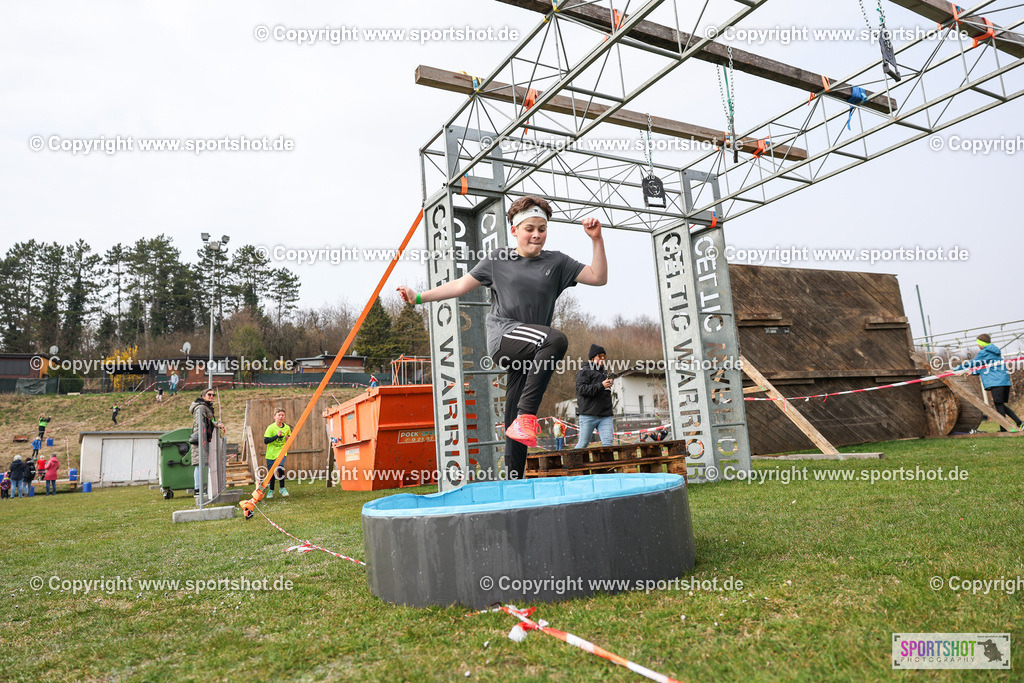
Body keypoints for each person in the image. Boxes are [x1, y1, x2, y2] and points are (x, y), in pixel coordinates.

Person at [397, 195, 607, 480]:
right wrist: (419, 297)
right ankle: (526, 416)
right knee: (556, 340)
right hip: (505, 338)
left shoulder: (557, 262)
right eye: (529, 229)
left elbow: (598, 277)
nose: (536, 235)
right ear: (514, 230)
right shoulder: (498, 260)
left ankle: (513, 481)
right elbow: (460, 285)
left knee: (514, 424)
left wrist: (596, 239)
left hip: (532, 353)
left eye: (542, 229)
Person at [958, 333, 1023, 431]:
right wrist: (973, 372)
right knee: (1000, 405)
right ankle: (1019, 424)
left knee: (999, 405)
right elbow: (988, 368)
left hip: (996, 382)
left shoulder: (984, 352)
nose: (978, 345)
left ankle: (1005, 429)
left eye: (978, 343)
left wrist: (956, 369)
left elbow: (973, 363)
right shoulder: (994, 351)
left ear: (981, 344)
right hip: (1004, 381)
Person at [574, 344, 615, 448]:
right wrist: (601, 385)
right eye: (600, 356)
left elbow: (602, 390)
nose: (603, 358)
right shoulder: (584, 371)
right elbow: (581, 389)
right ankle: (567, 459)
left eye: (604, 356)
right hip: (588, 415)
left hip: (605, 415)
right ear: (593, 357)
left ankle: (607, 461)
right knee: (583, 444)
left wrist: (607, 386)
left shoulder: (604, 373)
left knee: (608, 445)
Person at [190, 388, 225, 499]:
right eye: (209, 394)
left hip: (206, 439)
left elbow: (209, 421)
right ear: (203, 396)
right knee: (199, 464)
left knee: (204, 464)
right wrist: (203, 437)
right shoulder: (200, 407)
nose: (212, 396)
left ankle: (206, 488)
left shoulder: (207, 407)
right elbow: (200, 423)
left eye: (213, 395)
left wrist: (217, 424)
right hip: (201, 439)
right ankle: (197, 490)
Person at [263, 408, 291, 498]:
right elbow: (266, 441)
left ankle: (282, 488)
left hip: (281, 452)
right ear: (274, 416)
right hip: (271, 454)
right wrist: (276, 436)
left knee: (280, 468)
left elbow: (289, 438)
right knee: (272, 473)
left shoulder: (287, 428)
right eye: (279, 415)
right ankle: (271, 490)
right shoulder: (271, 428)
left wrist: (288, 439)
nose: (281, 417)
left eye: (283, 415)